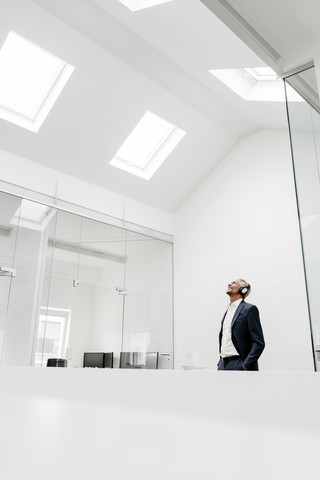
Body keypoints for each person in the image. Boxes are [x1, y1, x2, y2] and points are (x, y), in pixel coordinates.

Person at [217, 279, 265, 371]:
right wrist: (220, 363)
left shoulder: (249, 309)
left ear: (243, 289)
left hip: (238, 364)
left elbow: (259, 342)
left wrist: (245, 365)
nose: (229, 284)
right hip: (223, 365)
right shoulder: (228, 311)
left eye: (234, 283)